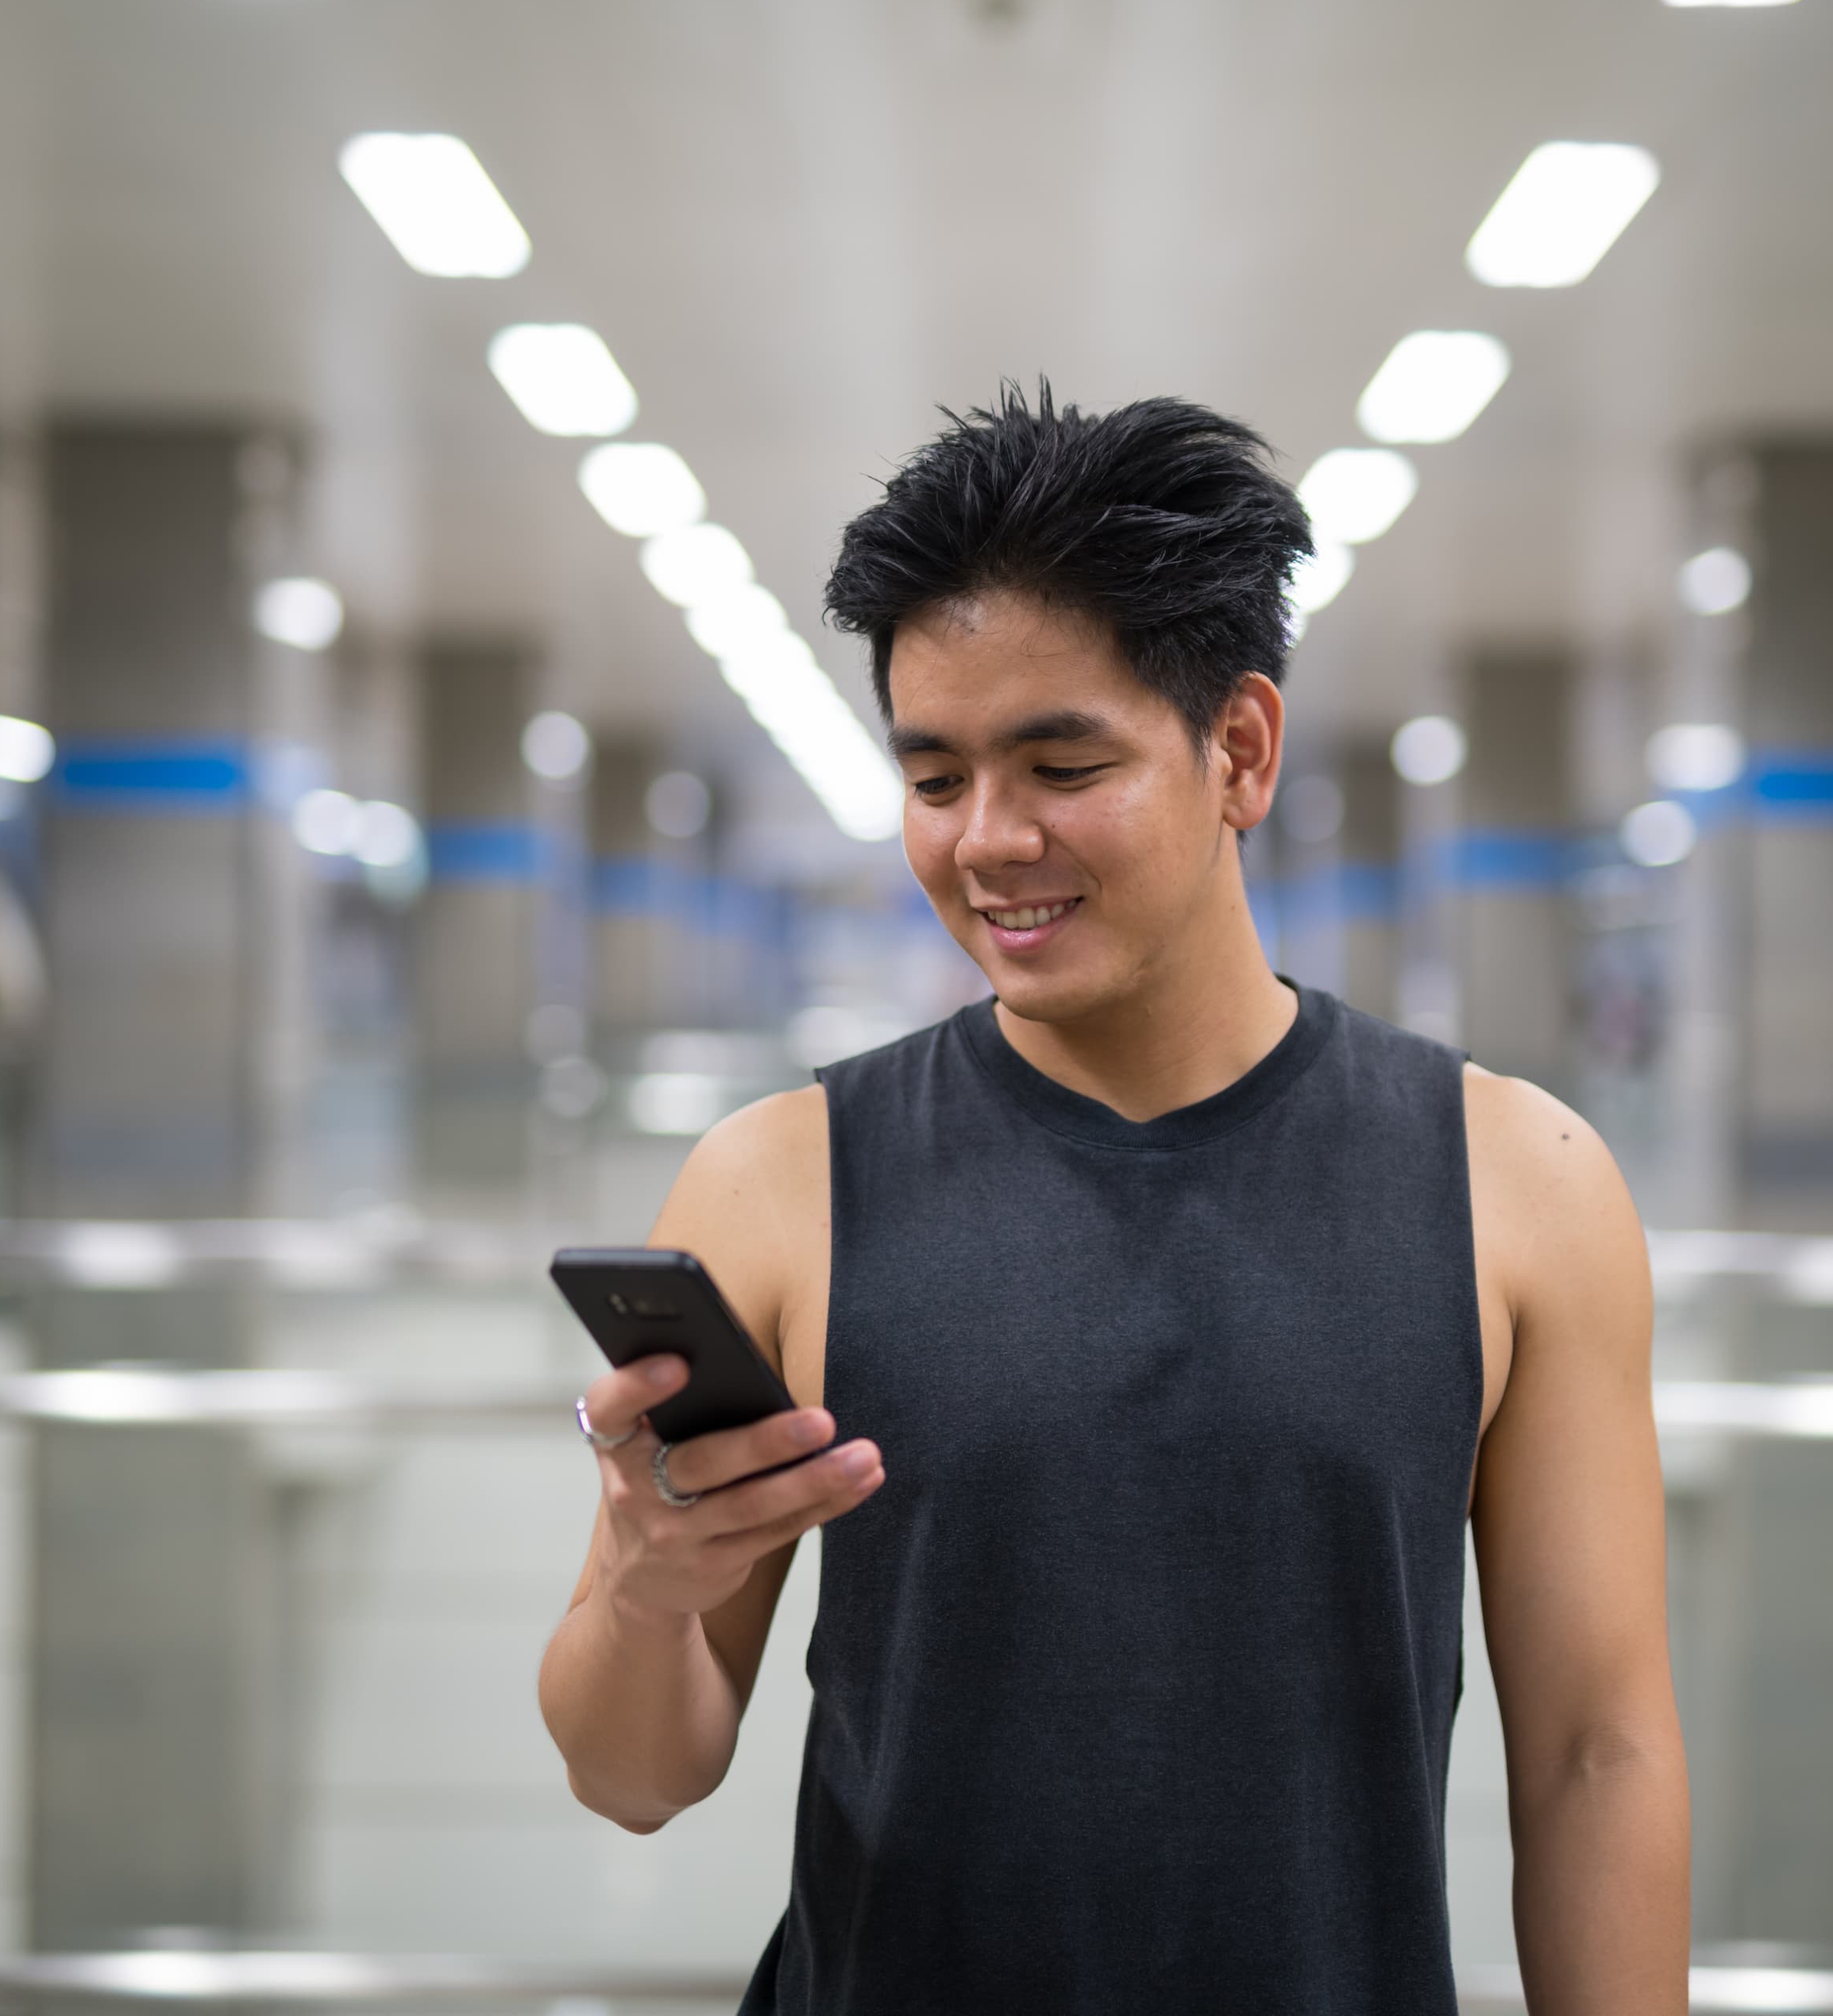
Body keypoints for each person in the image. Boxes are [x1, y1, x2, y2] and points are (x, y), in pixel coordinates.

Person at [538, 384, 1687, 2015]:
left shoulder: (1516, 1182)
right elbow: (633, 1774)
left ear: (1240, 748)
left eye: (1062, 762)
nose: (990, 841)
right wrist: (644, 1591)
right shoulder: (784, 1180)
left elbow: (1598, 1751)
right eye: (935, 778)